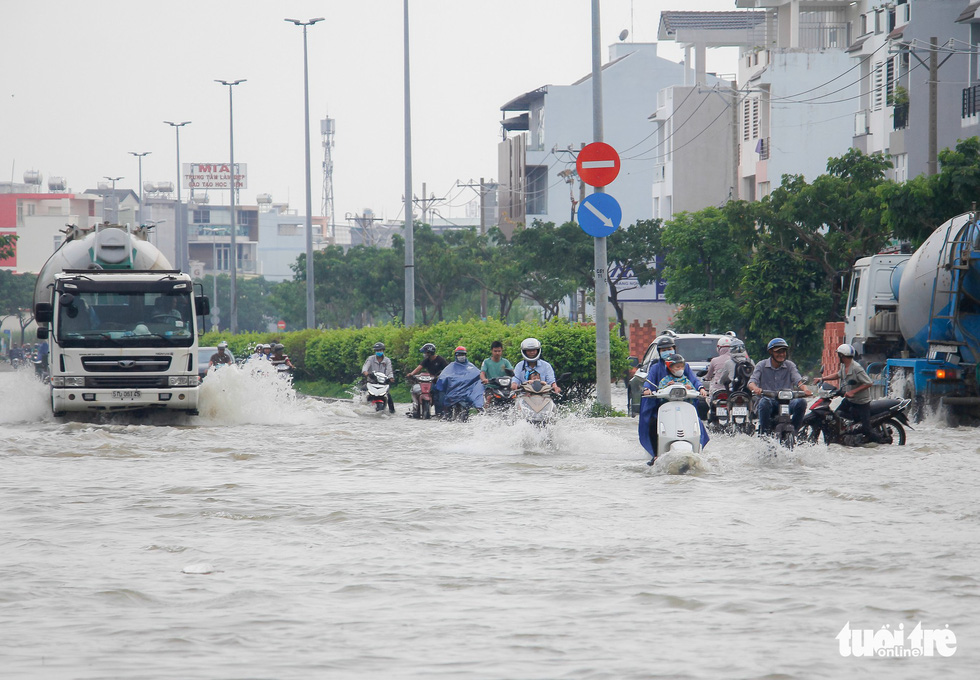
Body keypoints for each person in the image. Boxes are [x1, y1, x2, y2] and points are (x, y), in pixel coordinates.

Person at [748, 337, 812, 436]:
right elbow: (751, 382)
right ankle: (765, 435)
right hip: (769, 402)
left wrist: (805, 389)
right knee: (763, 402)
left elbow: (798, 380)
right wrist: (756, 388)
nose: (781, 354)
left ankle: (794, 432)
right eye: (778, 352)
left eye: (783, 351)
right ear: (771, 352)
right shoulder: (761, 365)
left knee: (801, 402)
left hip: (787, 402)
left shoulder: (790, 365)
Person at [820, 343, 881, 443]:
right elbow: (838, 375)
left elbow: (869, 383)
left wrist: (853, 391)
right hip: (850, 400)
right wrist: (822, 379)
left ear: (842, 356)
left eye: (838, 355)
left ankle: (880, 442)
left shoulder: (856, 368)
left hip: (861, 402)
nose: (838, 357)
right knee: (836, 417)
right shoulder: (845, 366)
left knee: (866, 429)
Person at [434, 346, 485, 415]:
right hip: (453, 393)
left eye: (463, 354)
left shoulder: (470, 366)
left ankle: (479, 410)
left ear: (465, 355)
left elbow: (478, 374)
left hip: (467, 393)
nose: (461, 356)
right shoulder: (451, 367)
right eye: (459, 355)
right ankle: (444, 412)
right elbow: (443, 376)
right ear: (456, 355)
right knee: (441, 398)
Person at [704, 334, 735, 400]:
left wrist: (706, 378)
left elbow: (709, 375)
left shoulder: (714, 360)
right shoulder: (734, 360)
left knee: (709, 400)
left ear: (718, 347)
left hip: (717, 389)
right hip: (732, 389)